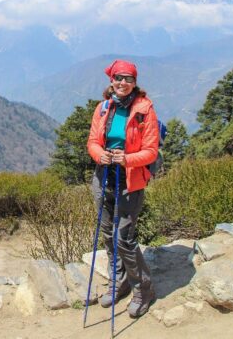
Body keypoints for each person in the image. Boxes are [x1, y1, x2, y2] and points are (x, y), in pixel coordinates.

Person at [87, 59, 159, 318]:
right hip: (103, 178)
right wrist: (100, 155)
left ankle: (143, 289)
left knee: (124, 239)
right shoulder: (104, 107)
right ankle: (119, 283)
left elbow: (151, 151)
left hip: (131, 182)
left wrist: (126, 158)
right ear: (111, 80)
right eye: (119, 78)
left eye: (128, 79)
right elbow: (93, 141)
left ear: (135, 82)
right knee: (108, 234)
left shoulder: (144, 110)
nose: (123, 83)